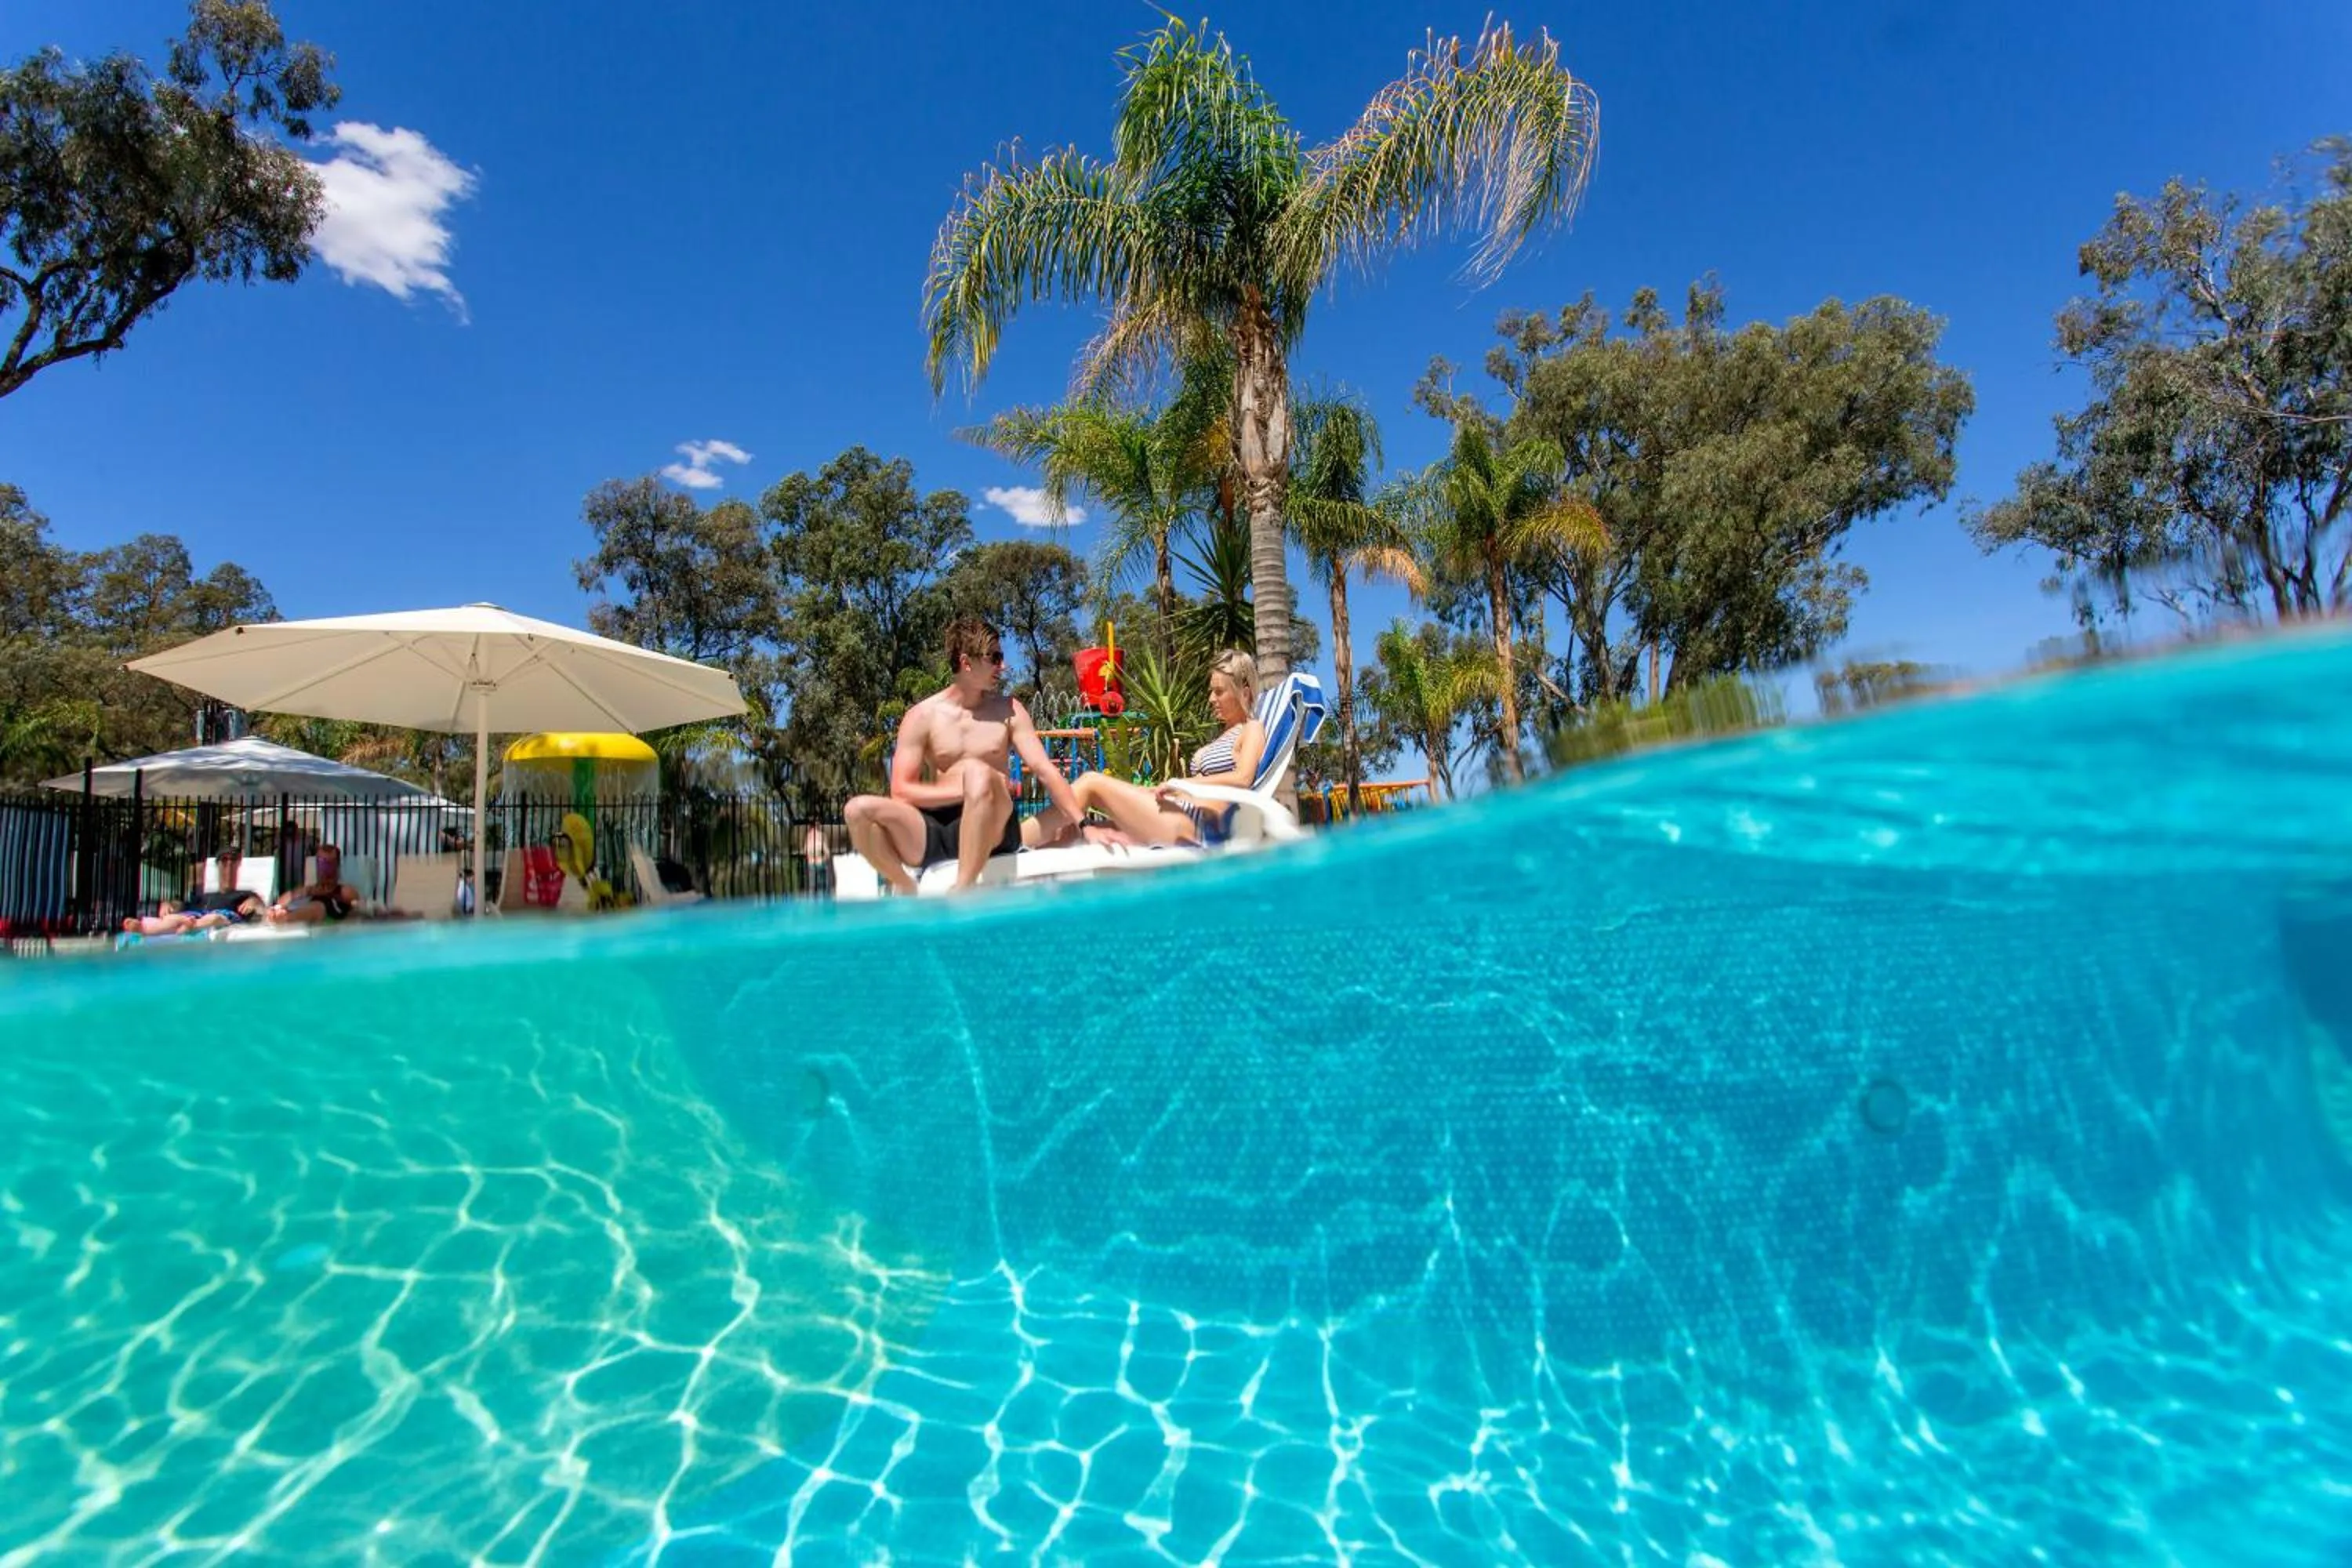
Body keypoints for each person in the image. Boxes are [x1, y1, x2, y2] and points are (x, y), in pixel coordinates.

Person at [843, 616, 1085, 894]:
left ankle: (963, 889)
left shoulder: (1009, 710)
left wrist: (1083, 823)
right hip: (939, 828)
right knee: (856, 810)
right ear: (967, 662)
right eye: (995, 658)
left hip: (994, 827)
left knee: (978, 774)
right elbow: (901, 791)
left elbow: (1044, 769)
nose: (1003, 666)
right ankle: (905, 884)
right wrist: (964, 791)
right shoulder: (922, 717)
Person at [1067, 648, 1265, 848]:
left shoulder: (1251, 729)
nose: (1211, 699)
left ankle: (1044, 829)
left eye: (1219, 692)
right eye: (1211, 692)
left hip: (1197, 823)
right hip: (1180, 811)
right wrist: (1164, 790)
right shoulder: (1223, 735)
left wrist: (1180, 784)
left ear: (1244, 692)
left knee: (1091, 782)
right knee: (1076, 834)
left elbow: (1243, 778)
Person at [267, 843, 365, 925]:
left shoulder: (343, 890)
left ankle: (285, 919)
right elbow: (281, 901)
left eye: (330, 864)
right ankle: (282, 917)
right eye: (322, 863)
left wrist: (328, 892)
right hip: (305, 921)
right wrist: (308, 891)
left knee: (318, 907)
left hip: (329, 920)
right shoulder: (308, 889)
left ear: (337, 865)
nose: (326, 869)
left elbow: (357, 903)